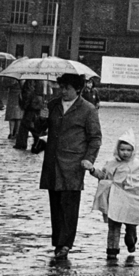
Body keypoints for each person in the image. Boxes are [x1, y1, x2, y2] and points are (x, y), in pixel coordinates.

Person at [40, 72, 101, 262]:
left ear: (77, 89)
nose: (63, 91)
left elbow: (95, 138)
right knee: (55, 203)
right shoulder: (52, 105)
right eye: (61, 87)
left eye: (67, 88)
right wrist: (41, 119)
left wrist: (88, 159)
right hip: (52, 162)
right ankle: (58, 240)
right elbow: (39, 130)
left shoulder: (88, 110)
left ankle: (65, 243)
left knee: (69, 203)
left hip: (74, 164)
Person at [90, 129, 139, 262]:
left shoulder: (138, 165)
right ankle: (112, 250)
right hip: (115, 198)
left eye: (129, 150)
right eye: (122, 149)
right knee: (114, 224)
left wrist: (129, 186)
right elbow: (103, 176)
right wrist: (92, 170)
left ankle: (131, 237)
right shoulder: (111, 163)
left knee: (130, 223)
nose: (125, 153)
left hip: (130, 201)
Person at [2, 73, 23, 144]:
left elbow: (4, 85)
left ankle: (12, 133)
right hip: (18, 98)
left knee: (13, 116)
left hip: (12, 98)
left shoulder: (10, 75)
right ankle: (15, 133)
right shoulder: (23, 77)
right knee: (18, 117)